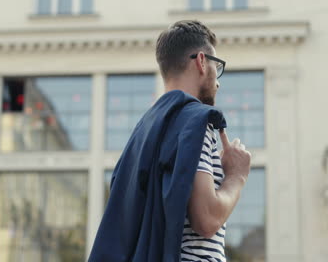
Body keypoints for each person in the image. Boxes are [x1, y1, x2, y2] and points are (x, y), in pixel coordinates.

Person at [88, 20, 251, 262]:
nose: (218, 81)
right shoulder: (195, 120)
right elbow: (206, 219)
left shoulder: (145, 131)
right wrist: (236, 176)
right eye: (218, 66)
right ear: (202, 62)